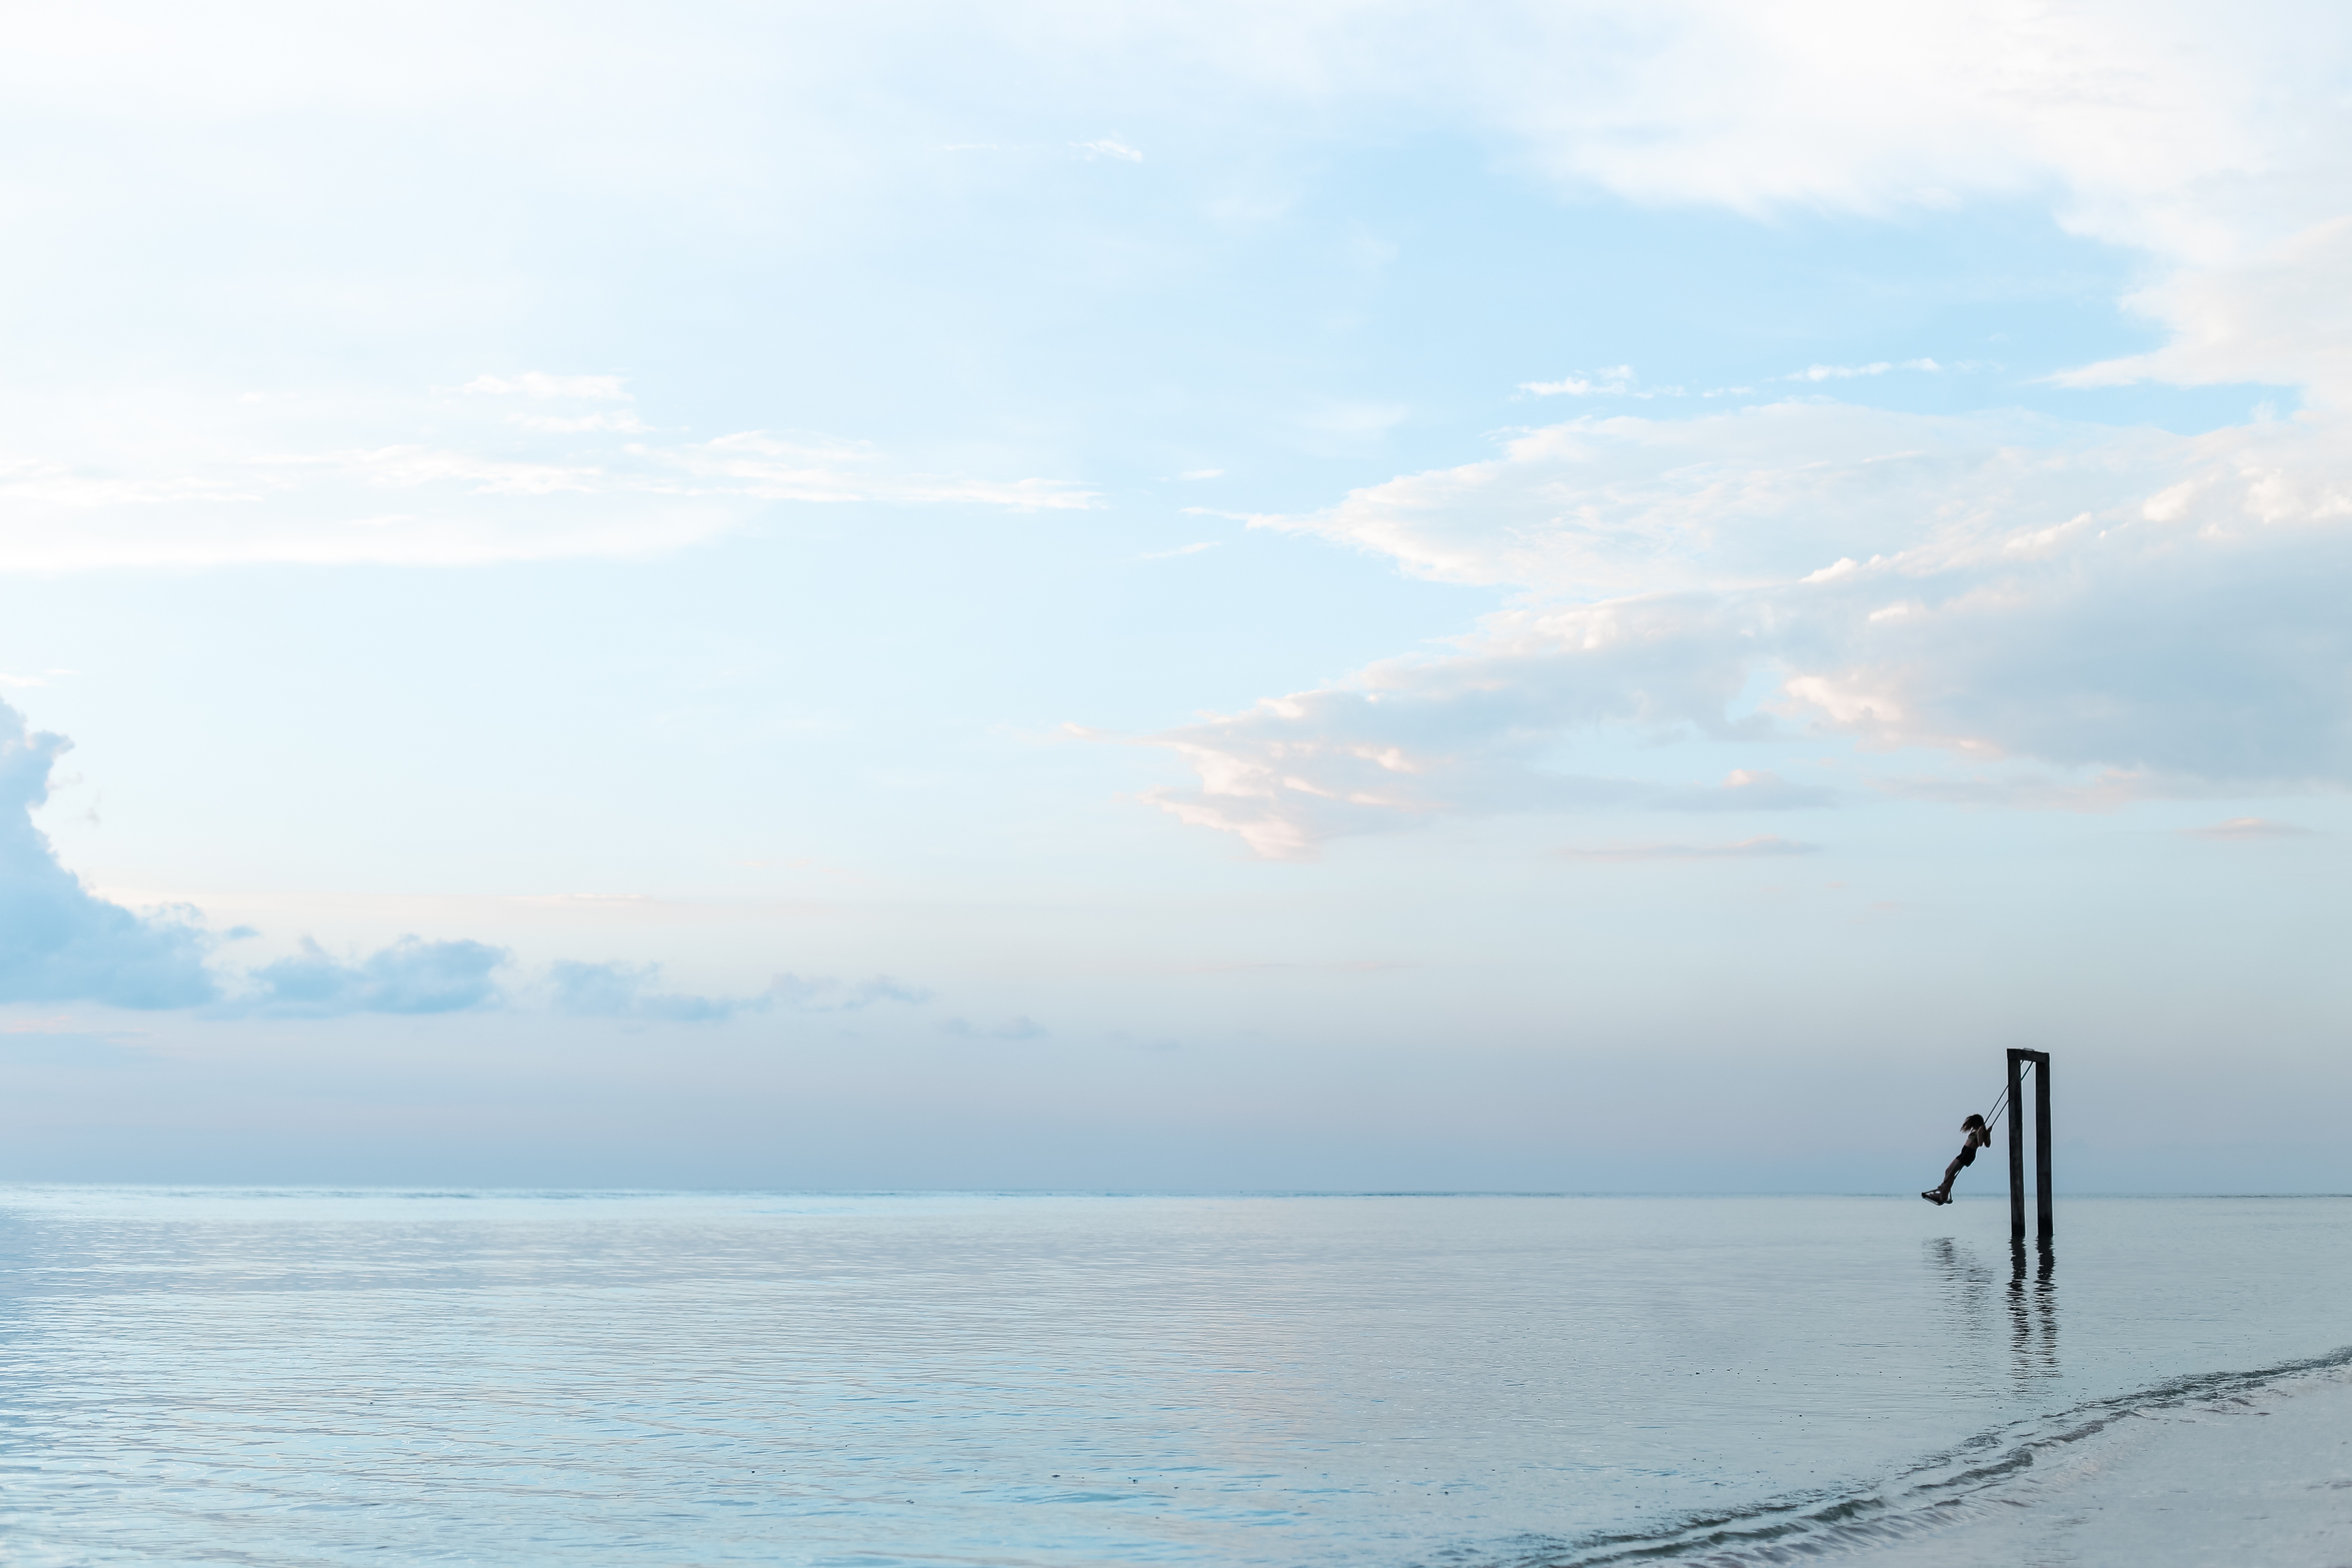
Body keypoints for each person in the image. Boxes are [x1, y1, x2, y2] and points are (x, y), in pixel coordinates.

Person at [1922, 1114, 1993, 1205]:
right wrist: (1988, 1133)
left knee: (1949, 1172)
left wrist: (1983, 1134)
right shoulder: (1980, 1130)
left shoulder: (1981, 1130)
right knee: (1950, 1173)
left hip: (1968, 1153)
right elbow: (1987, 1144)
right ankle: (1943, 1195)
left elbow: (1981, 1144)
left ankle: (1943, 1196)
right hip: (1966, 1153)